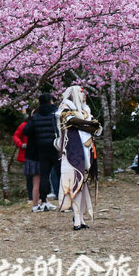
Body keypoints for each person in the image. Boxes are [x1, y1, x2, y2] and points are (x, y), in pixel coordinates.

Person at [55, 86, 101, 231]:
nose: (85, 95)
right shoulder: (65, 107)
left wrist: (86, 125)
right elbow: (72, 121)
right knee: (75, 185)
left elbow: (97, 128)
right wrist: (88, 124)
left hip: (86, 151)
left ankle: (80, 219)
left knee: (83, 185)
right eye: (82, 93)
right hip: (72, 153)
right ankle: (77, 219)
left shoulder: (85, 110)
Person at [24, 94, 59, 212]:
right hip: (55, 147)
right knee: (60, 173)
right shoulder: (55, 113)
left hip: (42, 149)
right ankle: (64, 198)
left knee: (43, 175)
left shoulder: (36, 116)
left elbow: (26, 131)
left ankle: (44, 200)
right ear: (50, 101)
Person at [13, 112, 33, 204]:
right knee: (29, 177)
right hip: (26, 154)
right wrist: (21, 144)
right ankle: (31, 197)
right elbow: (16, 136)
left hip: (38, 153)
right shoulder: (24, 125)